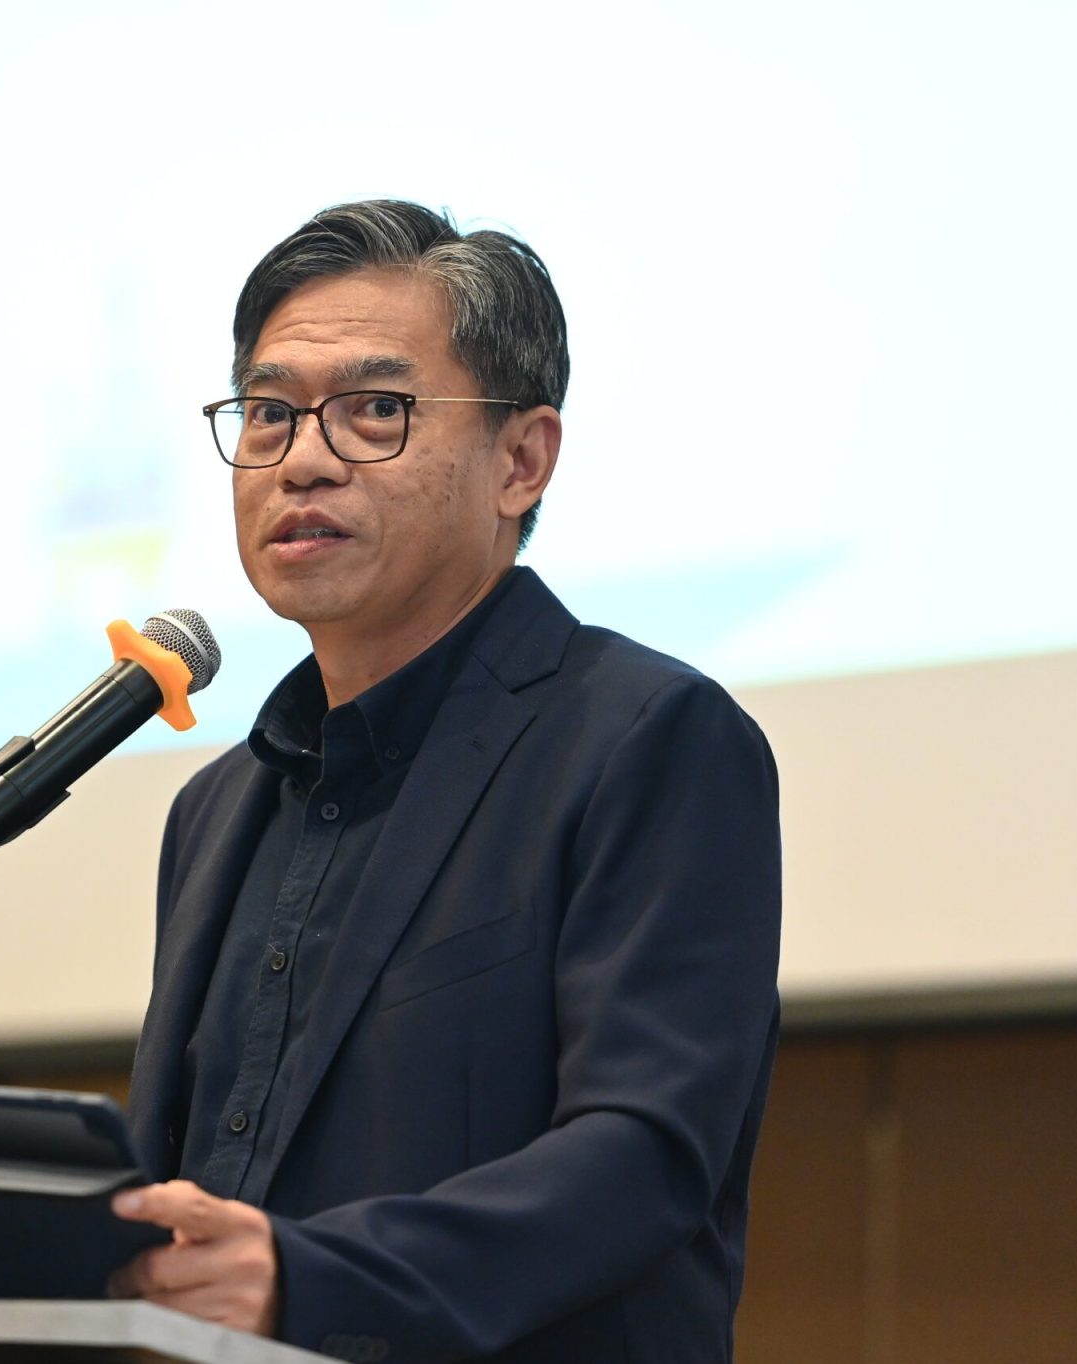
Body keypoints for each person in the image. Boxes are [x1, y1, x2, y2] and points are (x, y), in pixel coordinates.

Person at [106, 200, 782, 1363]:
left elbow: (644, 1156)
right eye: (267, 412)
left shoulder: (647, 739)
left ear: (520, 461)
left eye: (374, 408)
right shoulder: (213, 811)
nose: (302, 458)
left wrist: (306, 1279)